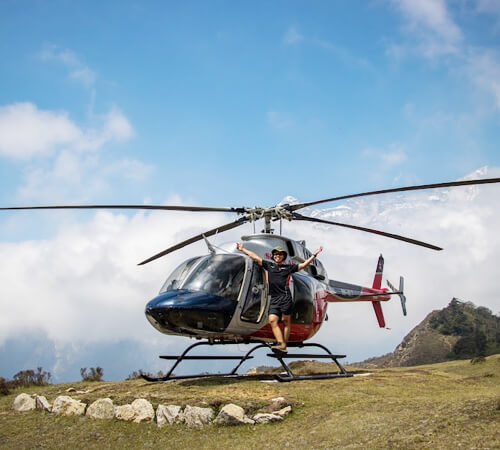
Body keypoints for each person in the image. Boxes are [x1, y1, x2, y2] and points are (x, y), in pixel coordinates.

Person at [236, 242, 323, 353]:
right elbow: (255, 257)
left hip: (285, 297)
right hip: (274, 298)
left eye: (280, 254)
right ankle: (281, 343)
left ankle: (283, 345)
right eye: (276, 254)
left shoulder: (288, 268)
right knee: (273, 320)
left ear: (283, 257)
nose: (278, 256)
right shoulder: (269, 265)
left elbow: (303, 265)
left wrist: (314, 255)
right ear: (273, 256)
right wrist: (242, 249)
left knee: (285, 321)